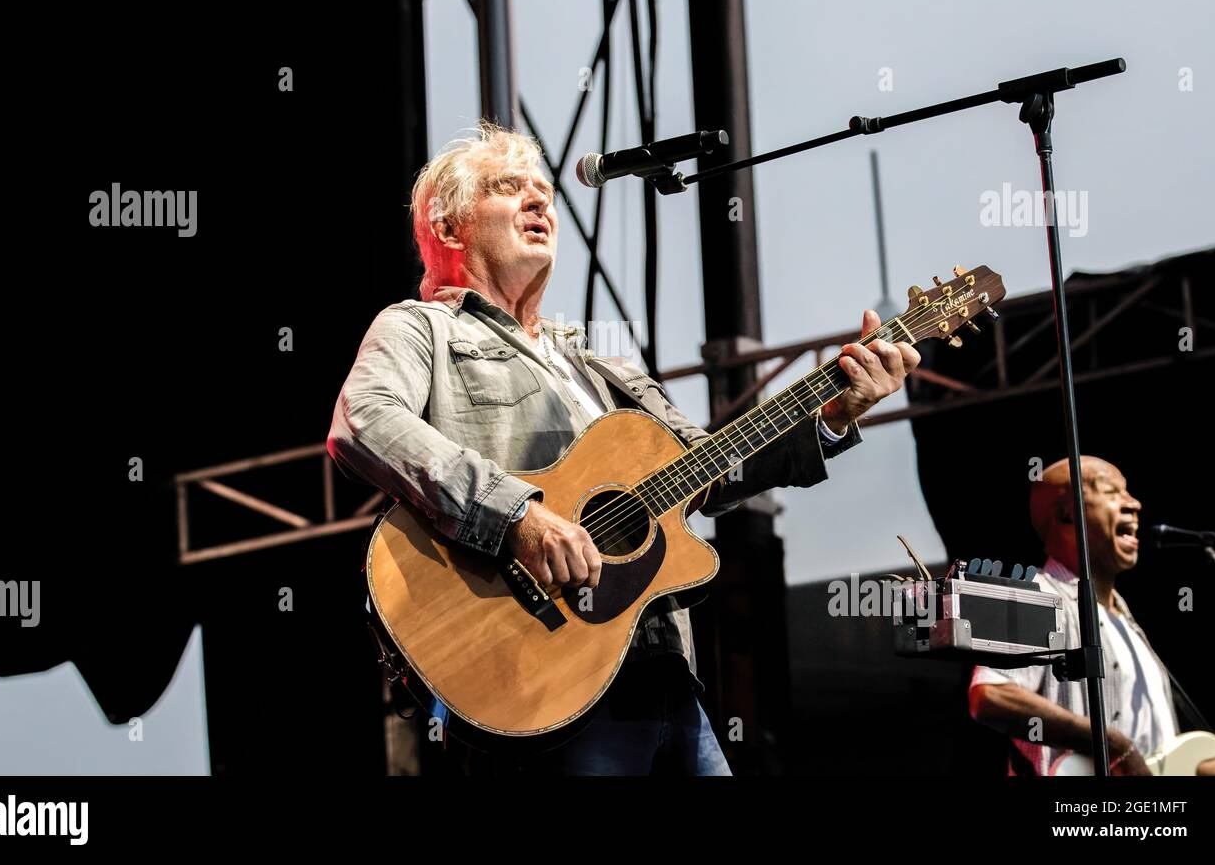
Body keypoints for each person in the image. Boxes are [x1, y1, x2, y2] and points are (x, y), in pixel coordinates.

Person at [328, 122, 919, 774]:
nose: (540, 202)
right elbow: (364, 421)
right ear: (446, 228)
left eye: (544, 191)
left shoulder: (604, 370)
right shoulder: (422, 330)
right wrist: (517, 516)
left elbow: (714, 469)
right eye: (508, 188)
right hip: (537, 674)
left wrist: (833, 415)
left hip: (662, 671)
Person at [968, 456, 1215, 775]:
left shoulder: (1128, 624)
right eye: (1112, 492)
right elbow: (990, 694)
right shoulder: (1036, 594)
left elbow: (1162, 764)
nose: (1134, 503)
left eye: (1128, 493)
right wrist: (1113, 745)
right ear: (1067, 513)